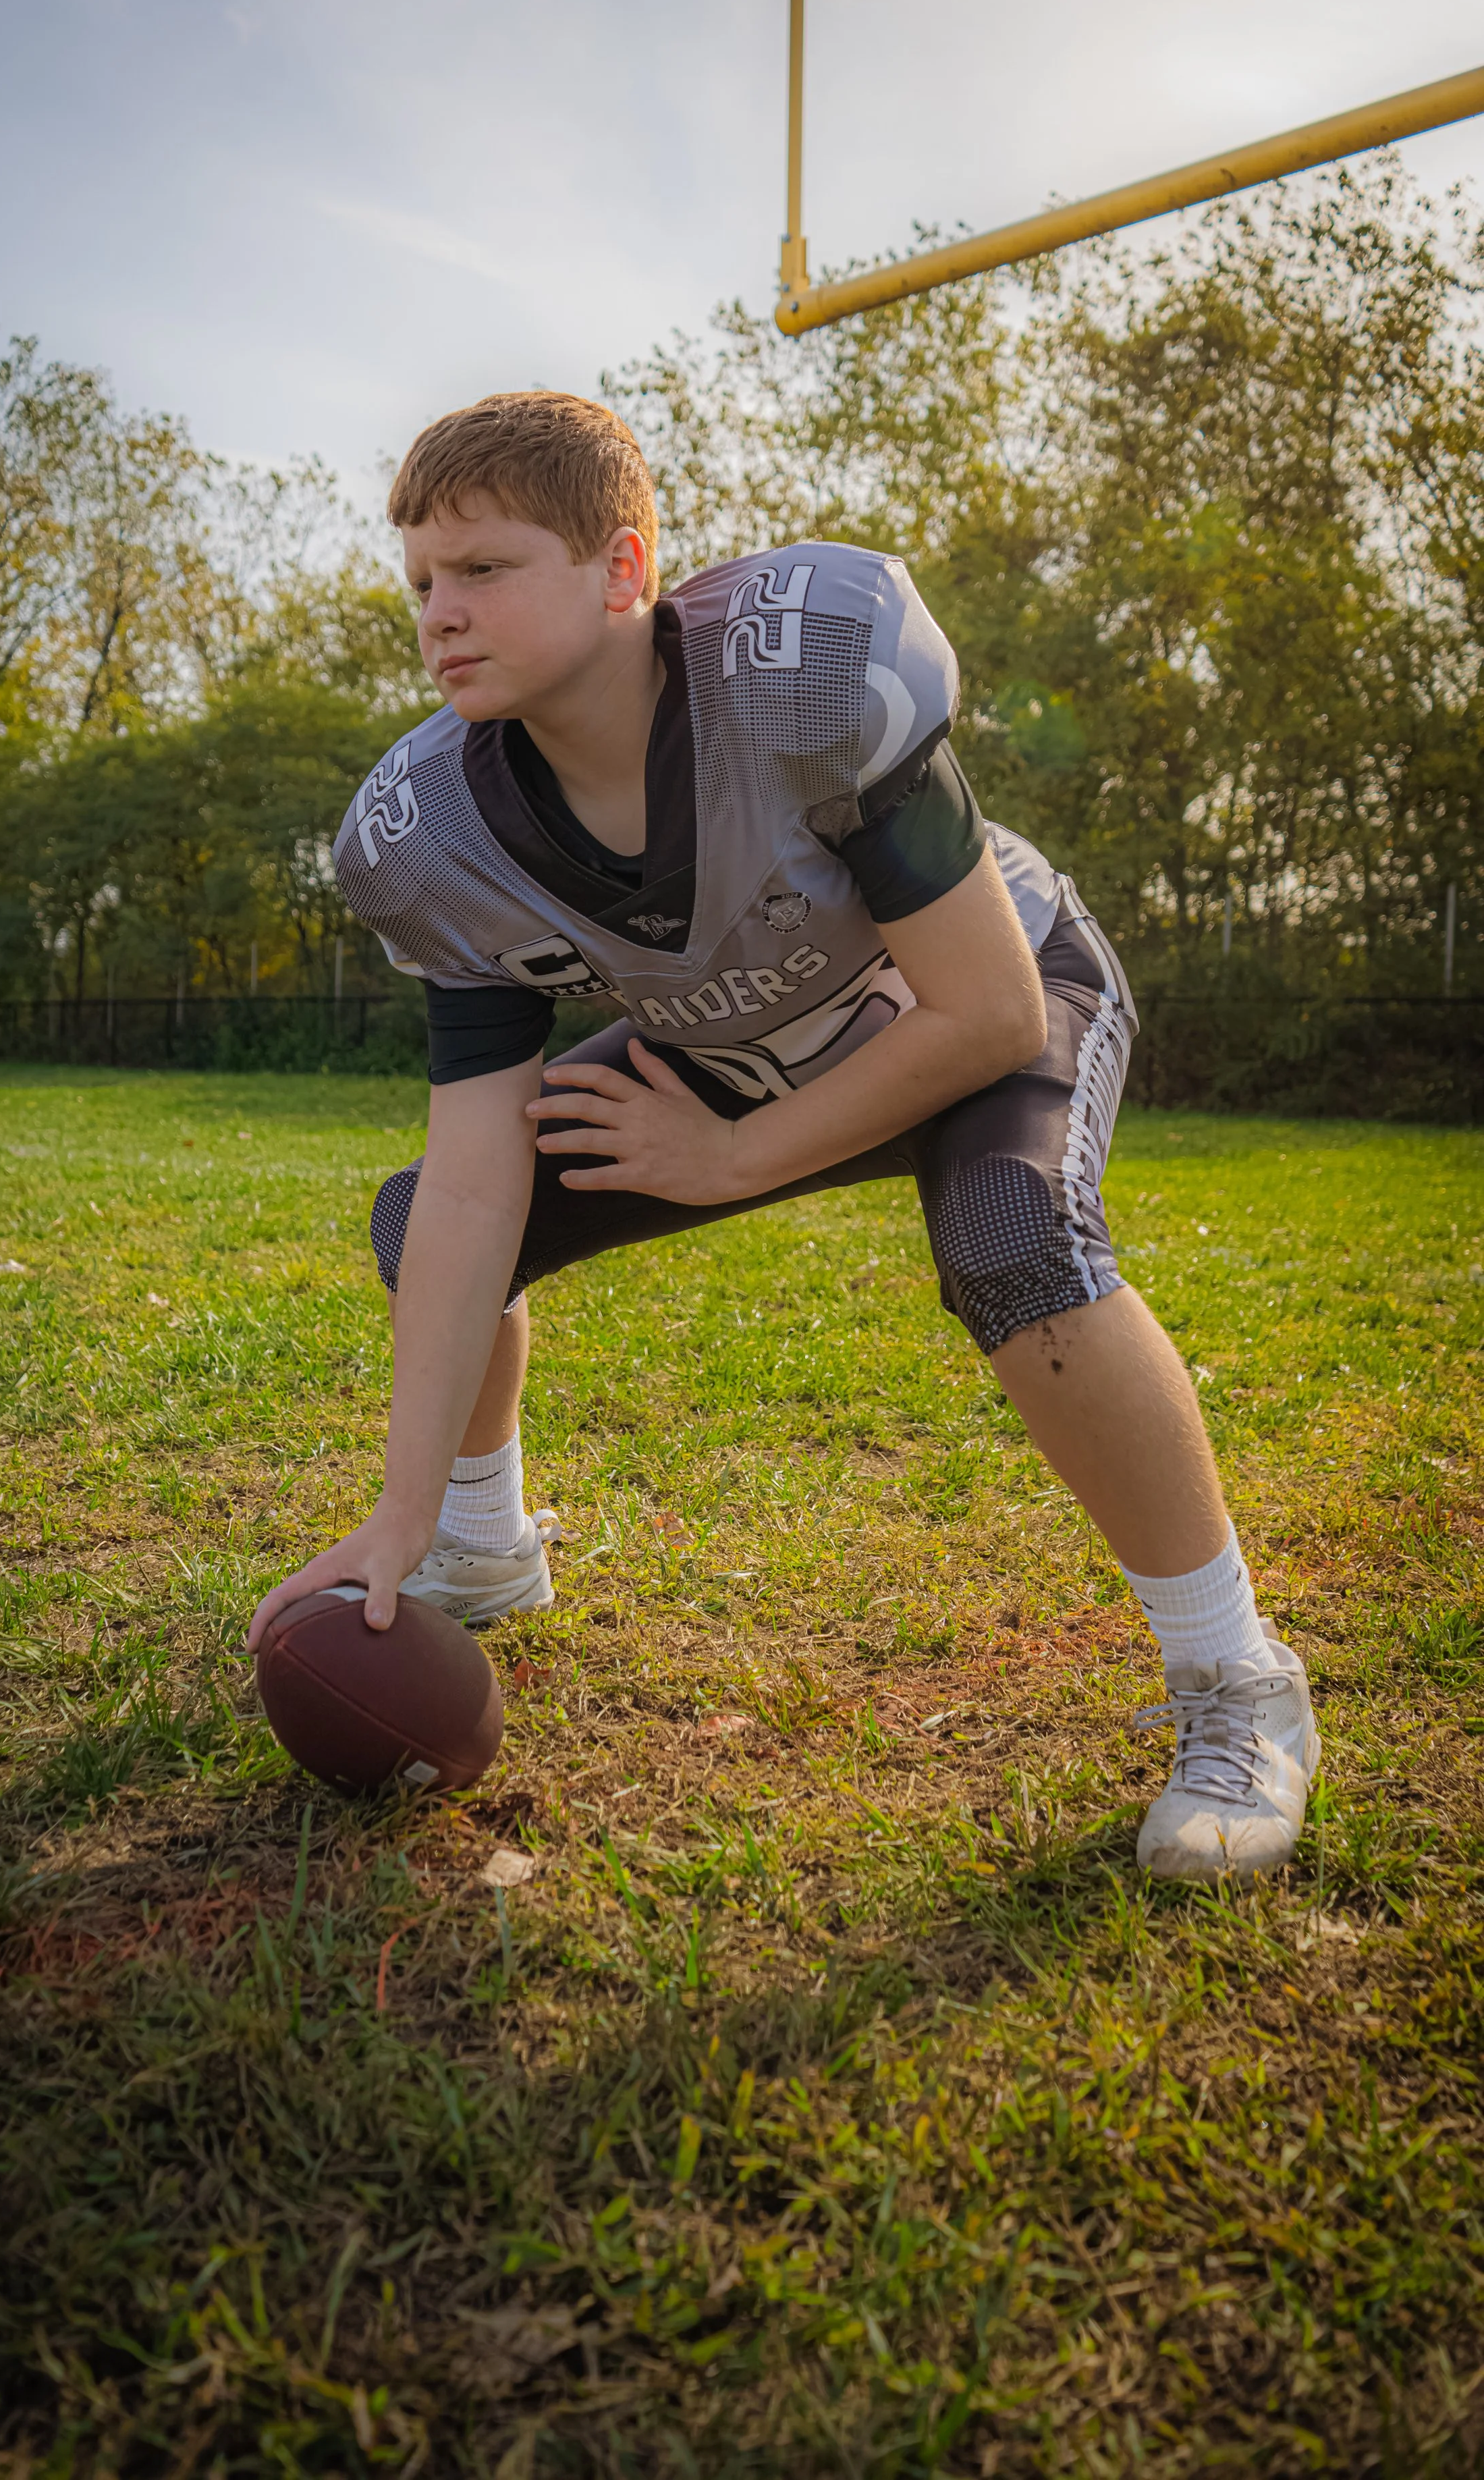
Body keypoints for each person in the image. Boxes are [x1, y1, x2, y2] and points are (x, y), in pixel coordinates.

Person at [246, 390, 1319, 1883]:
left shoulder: (800, 669)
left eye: (483, 569)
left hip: (970, 999)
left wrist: (739, 1158)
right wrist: (397, 1508)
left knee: (1011, 1239)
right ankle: (481, 1541)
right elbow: (482, 1169)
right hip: (732, 1043)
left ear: (623, 572)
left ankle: (1233, 1680)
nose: (440, 612)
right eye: (421, 577)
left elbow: (988, 1016)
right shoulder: (433, 831)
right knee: (426, 1213)